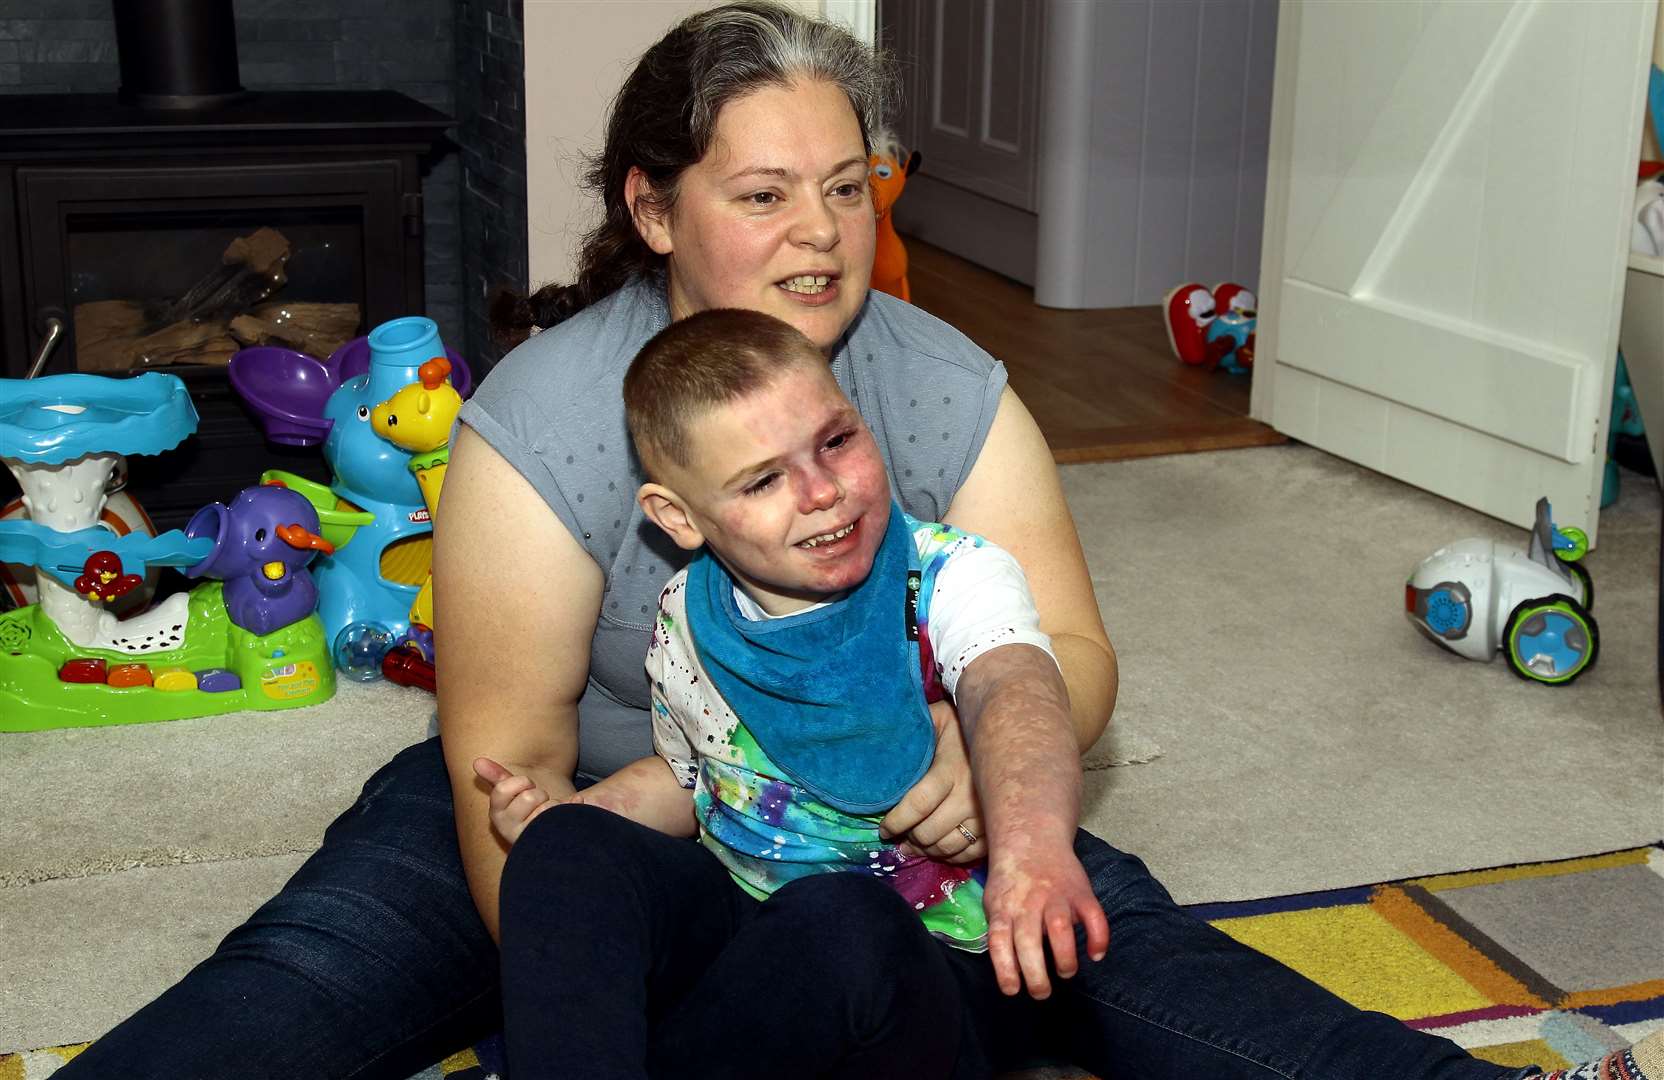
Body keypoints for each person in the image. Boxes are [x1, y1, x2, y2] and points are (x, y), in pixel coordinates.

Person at [53, 4, 1658, 1079]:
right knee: (294, 990)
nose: (818, 234)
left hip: (894, 811)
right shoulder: (540, 419)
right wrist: (603, 963)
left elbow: (1068, 657)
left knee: (1159, 971)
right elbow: (513, 756)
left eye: (845, 184)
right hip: (616, 820)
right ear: (658, 209)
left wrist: (988, 767)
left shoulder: (941, 381)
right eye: (763, 194)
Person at [476, 307, 1109, 1078]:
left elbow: (1016, 686)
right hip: (747, 948)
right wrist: (571, 820)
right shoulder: (686, 617)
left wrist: (1036, 846)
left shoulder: (949, 575)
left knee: (841, 922)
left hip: (932, 964)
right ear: (676, 516)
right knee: (563, 848)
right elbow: (697, 781)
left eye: (837, 441)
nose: (821, 492)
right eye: (763, 479)